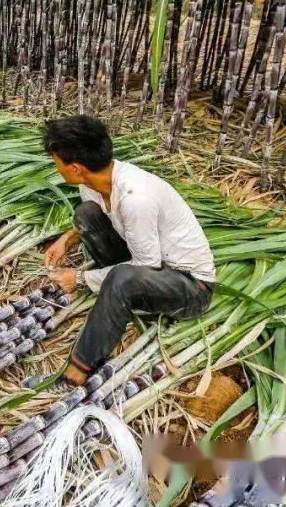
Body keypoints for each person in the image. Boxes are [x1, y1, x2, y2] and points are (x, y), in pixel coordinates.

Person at [41, 115, 214, 385]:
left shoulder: (136, 198)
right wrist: (67, 239)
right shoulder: (95, 181)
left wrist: (78, 278)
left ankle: (78, 370)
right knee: (86, 214)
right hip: (150, 264)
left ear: (76, 168)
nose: (56, 169)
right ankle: (119, 292)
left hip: (189, 287)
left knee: (122, 278)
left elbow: (147, 266)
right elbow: (105, 220)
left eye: (57, 164)